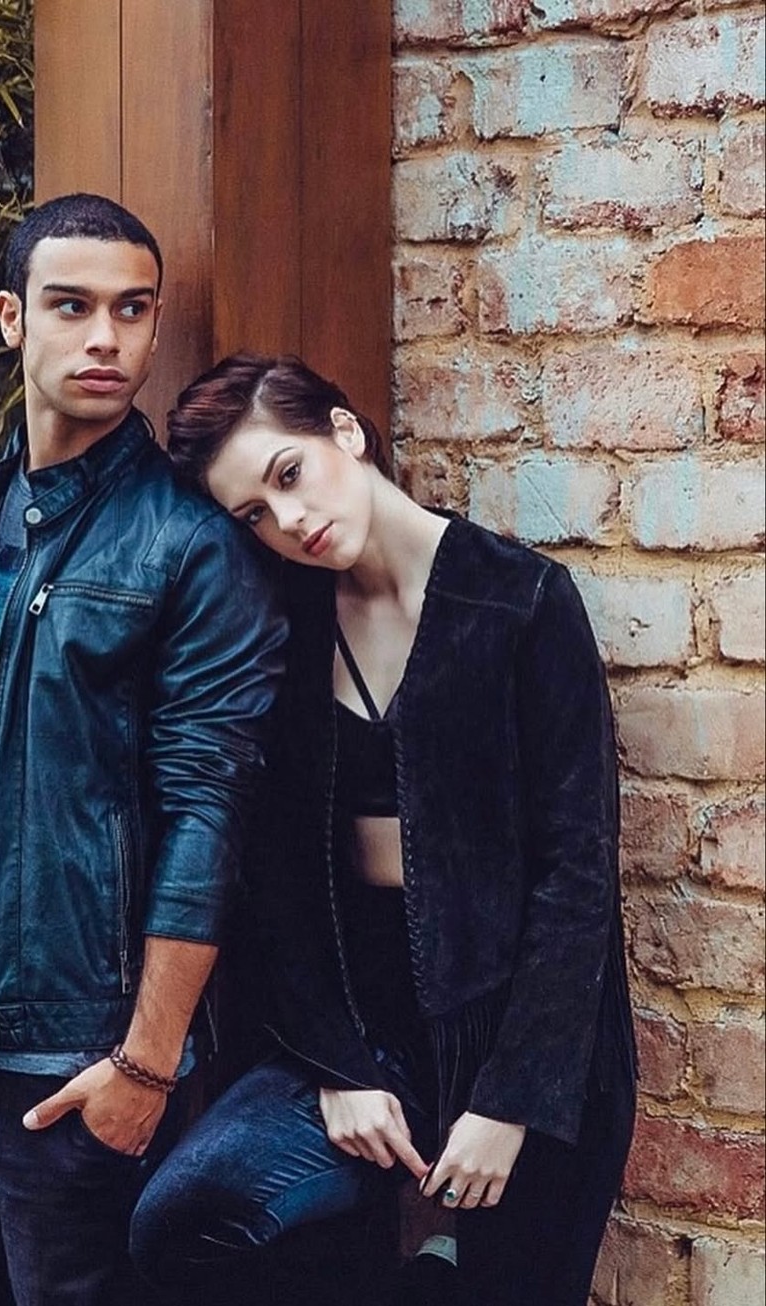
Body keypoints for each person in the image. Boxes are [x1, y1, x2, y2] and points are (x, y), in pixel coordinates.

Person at [0, 198, 285, 1306]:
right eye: (72, 307)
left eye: (133, 311)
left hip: (66, 1070)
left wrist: (146, 1065)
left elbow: (207, 819)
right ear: (11, 318)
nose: (106, 339)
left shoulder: (193, 546)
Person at [130, 353, 638, 1306]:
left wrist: (509, 1102)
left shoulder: (521, 600)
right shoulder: (282, 626)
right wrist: (339, 1069)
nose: (289, 521)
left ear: (344, 431)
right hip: (365, 1031)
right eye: (254, 514)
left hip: (522, 1037)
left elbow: (578, 874)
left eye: (289, 474)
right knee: (180, 1222)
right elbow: (273, 881)